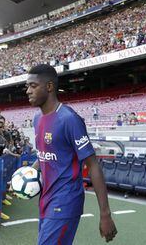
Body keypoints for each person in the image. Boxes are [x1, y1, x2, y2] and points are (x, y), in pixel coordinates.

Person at [25, 64, 116, 244]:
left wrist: (105, 214)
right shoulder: (37, 119)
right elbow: (44, 155)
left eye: (33, 86)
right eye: (27, 87)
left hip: (65, 201)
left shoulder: (69, 119)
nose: (28, 91)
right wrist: (26, 175)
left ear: (49, 87)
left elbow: (93, 165)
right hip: (46, 200)